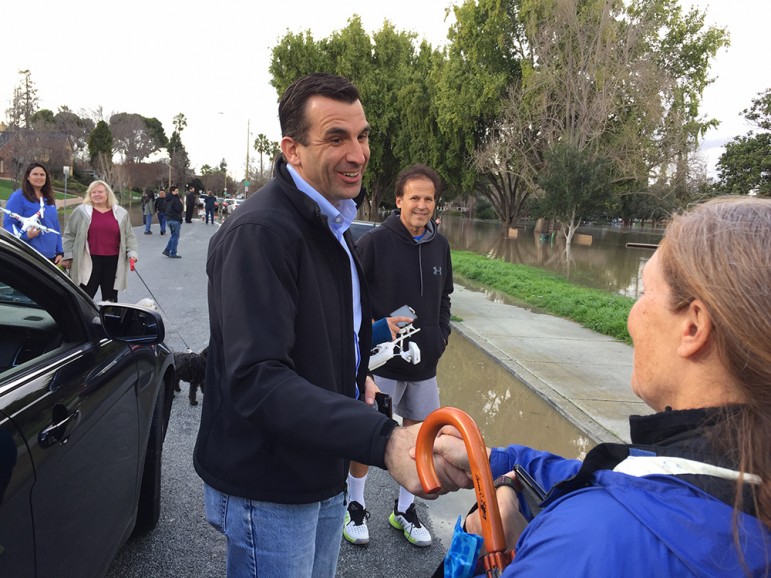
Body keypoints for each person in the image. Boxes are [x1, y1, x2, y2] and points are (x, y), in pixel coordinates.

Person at [193, 72, 467, 578]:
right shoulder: (262, 232)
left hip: (322, 466)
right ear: (292, 149)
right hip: (268, 483)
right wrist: (385, 439)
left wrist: (354, 373)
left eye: (362, 136)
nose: (358, 153)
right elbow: (258, 378)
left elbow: (329, 330)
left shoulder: (331, 224)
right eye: (336, 137)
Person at [430, 196, 771, 576]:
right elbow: (634, 481)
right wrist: (499, 463)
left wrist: (475, 545)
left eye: (645, 294)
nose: (632, 317)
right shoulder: (743, 475)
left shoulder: (586, 544)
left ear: (692, 327)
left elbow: (617, 514)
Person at [344, 163, 453, 548]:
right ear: (399, 200)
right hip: (380, 364)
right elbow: (349, 299)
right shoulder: (374, 242)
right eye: (415, 198)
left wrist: (441, 335)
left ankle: (404, 510)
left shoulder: (441, 244)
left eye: (428, 198)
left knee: (419, 438)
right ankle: (354, 505)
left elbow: (444, 298)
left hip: (424, 366)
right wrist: (372, 331)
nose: (422, 205)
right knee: (367, 435)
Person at [61, 180, 138, 302]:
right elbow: (69, 234)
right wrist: (67, 255)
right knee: (84, 297)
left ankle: (109, 320)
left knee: (110, 299)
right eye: (93, 192)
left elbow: (129, 236)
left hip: (113, 261)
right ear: (89, 195)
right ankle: (83, 320)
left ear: (108, 193)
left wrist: (132, 253)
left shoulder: (121, 213)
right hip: (88, 260)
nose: (97, 194)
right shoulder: (81, 212)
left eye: (100, 192)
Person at [2, 162, 63, 264]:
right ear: (28, 177)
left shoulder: (49, 199)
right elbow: (8, 224)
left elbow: (55, 226)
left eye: (42, 174)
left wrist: (60, 251)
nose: (39, 177)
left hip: (51, 256)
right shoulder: (18, 197)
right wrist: (26, 235)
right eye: (35, 174)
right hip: (30, 255)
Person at [162, 186, 183, 258]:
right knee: (175, 237)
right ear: (172, 192)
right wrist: (181, 203)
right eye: (176, 191)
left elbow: (164, 208)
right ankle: (173, 253)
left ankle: (167, 250)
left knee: (173, 235)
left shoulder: (166, 199)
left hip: (168, 219)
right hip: (175, 219)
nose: (178, 192)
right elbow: (179, 209)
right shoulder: (175, 199)